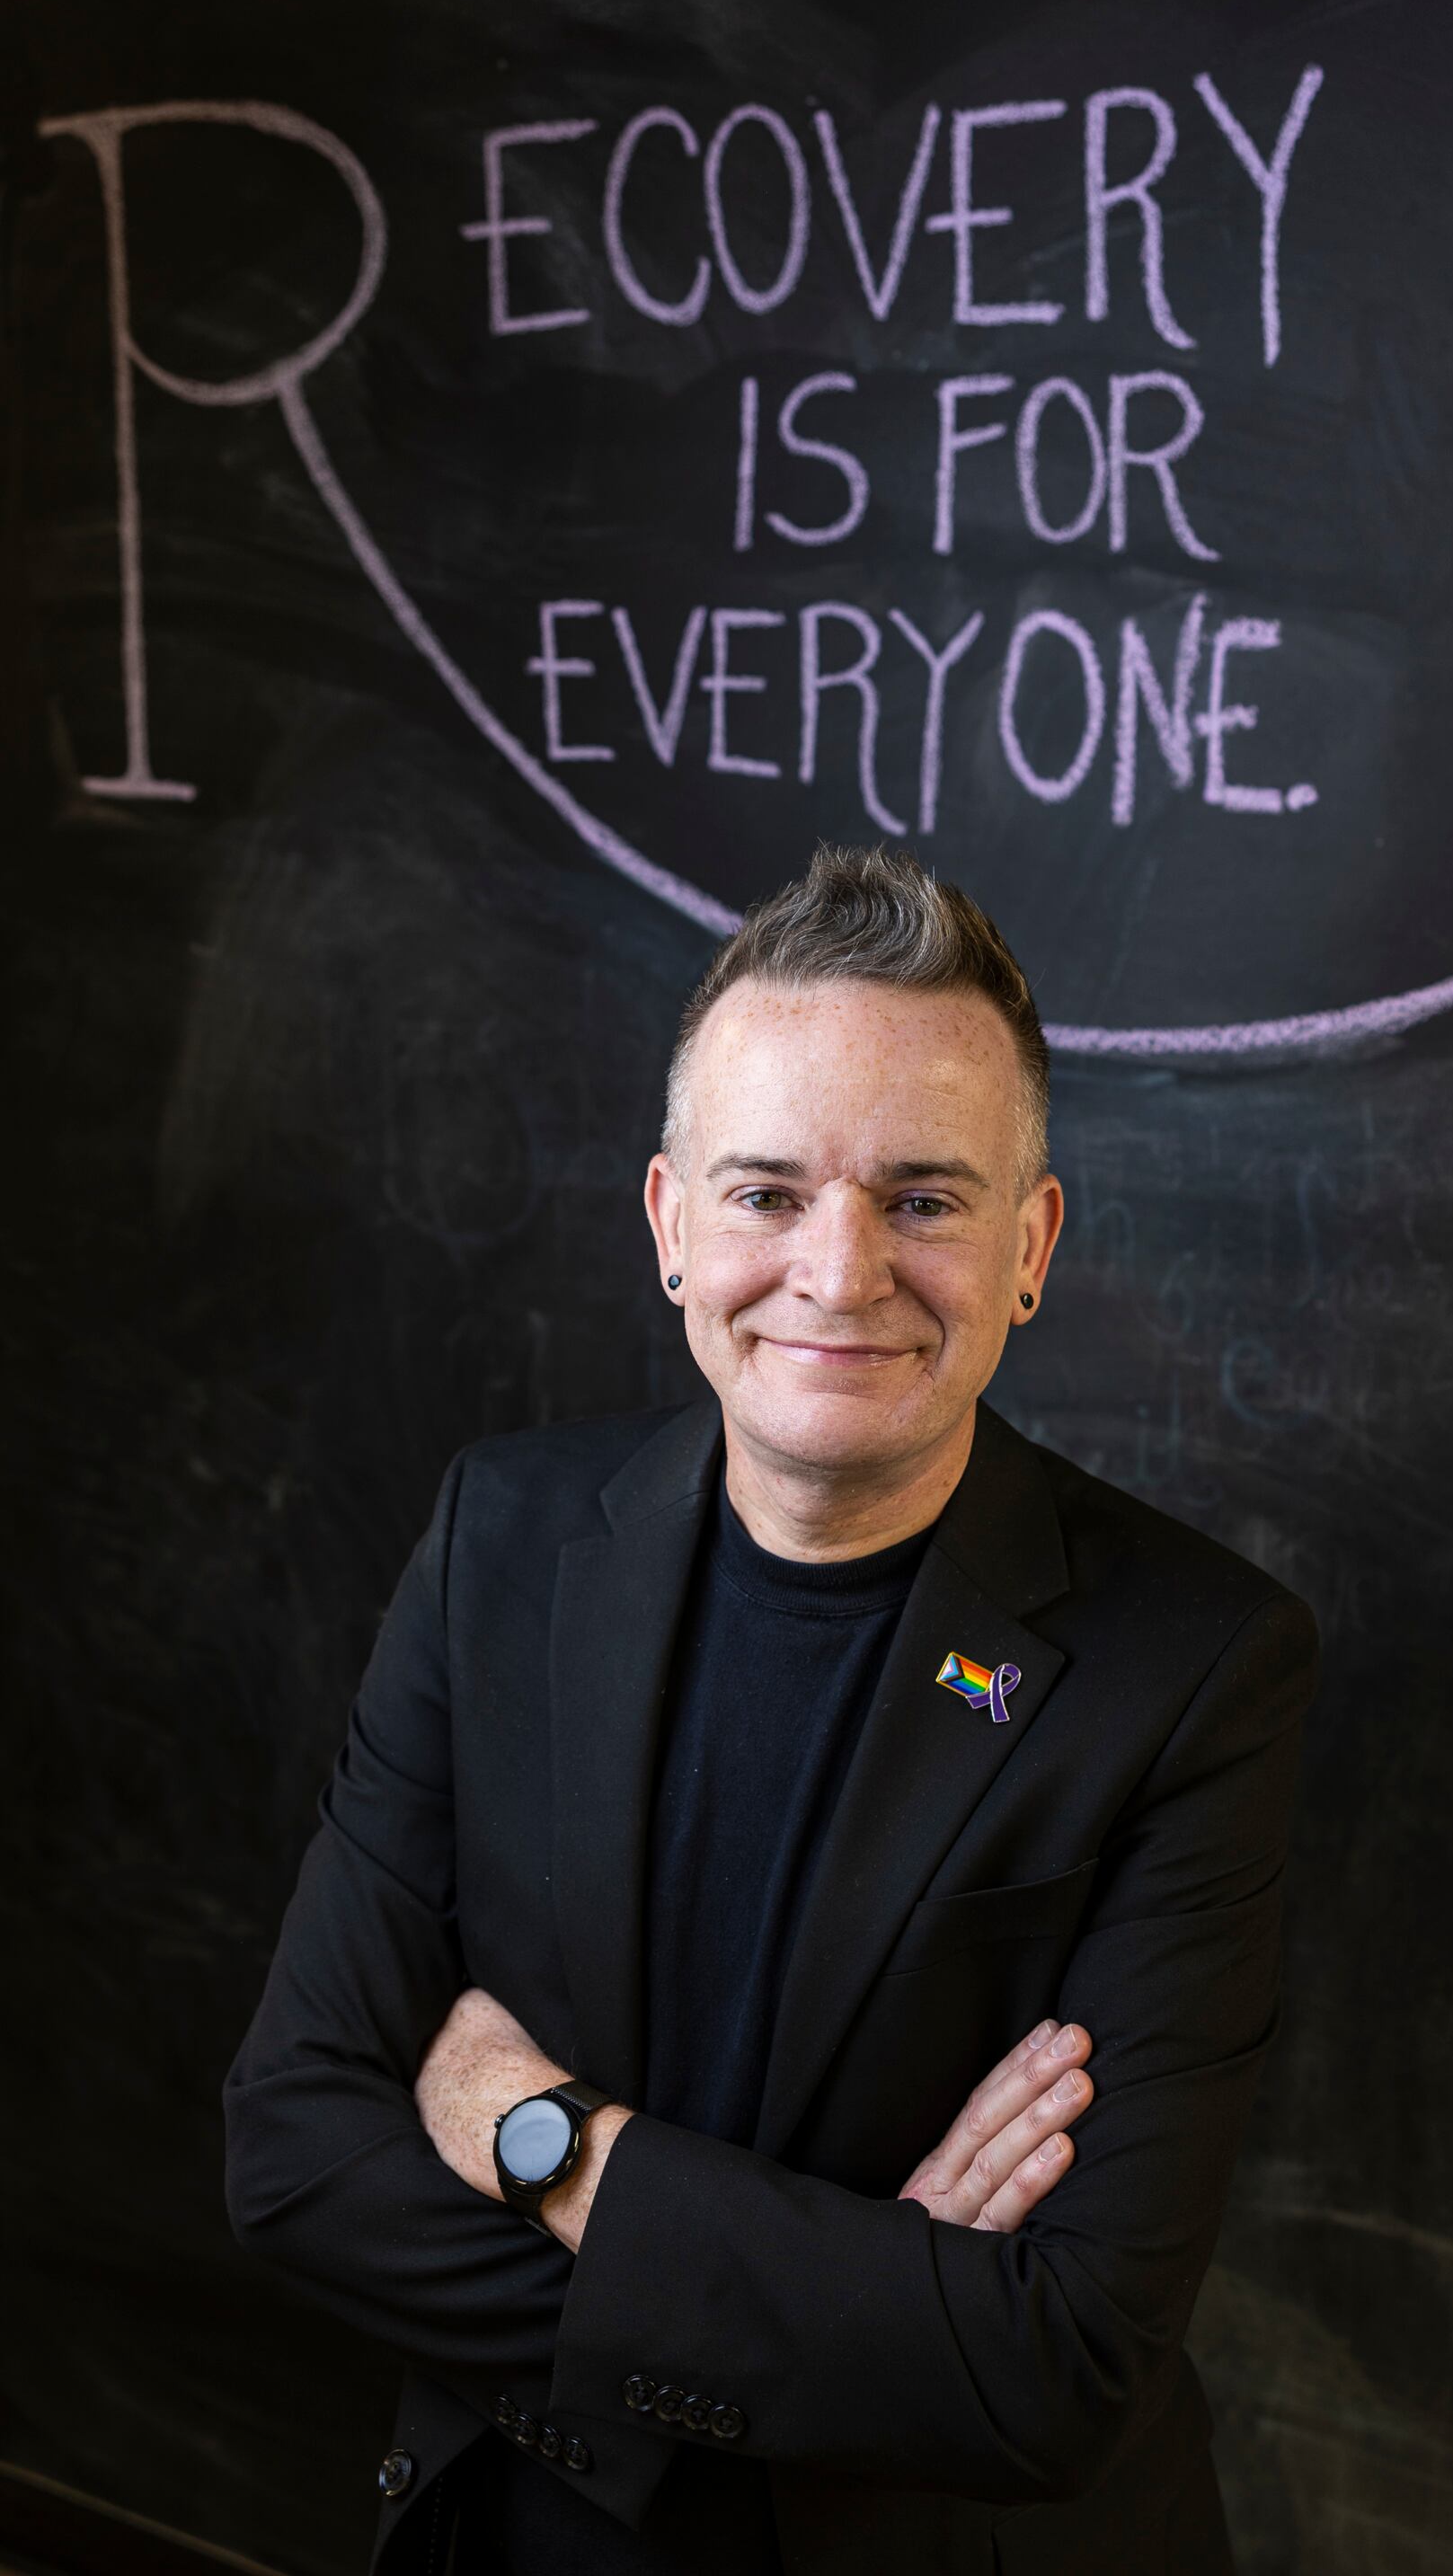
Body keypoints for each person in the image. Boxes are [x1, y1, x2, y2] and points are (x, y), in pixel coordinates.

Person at [223, 843, 1322, 2576]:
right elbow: (294, 2154)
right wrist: (872, 2310)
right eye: (766, 1194)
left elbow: (1055, 2367)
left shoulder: (1196, 1669)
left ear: (1031, 1245)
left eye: (925, 1199)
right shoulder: (495, 1543)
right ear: (670, 1225)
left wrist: (547, 2144)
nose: (840, 1269)